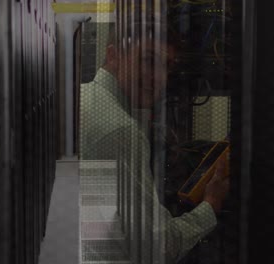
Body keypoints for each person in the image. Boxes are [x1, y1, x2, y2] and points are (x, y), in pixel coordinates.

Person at [79, 27, 230, 263]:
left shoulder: (82, 98)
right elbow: (157, 248)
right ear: (112, 55)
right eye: (149, 60)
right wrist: (210, 206)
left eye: (166, 66)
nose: (158, 76)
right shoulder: (121, 129)